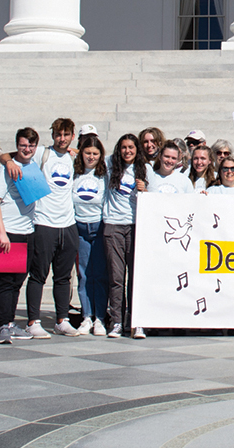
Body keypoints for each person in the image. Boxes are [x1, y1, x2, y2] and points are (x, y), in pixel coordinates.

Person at [9, 118, 81, 338]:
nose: (62, 138)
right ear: (53, 135)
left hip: (68, 223)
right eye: (58, 134)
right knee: (38, 275)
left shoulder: (73, 157)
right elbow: (9, 155)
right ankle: (33, 321)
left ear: (72, 136)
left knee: (63, 277)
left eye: (66, 134)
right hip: (43, 222)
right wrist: (9, 161)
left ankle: (62, 319)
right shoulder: (41, 153)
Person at [0, 128, 39, 344]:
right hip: (8, 233)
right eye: (22, 145)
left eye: (30, 145)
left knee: (18, 280)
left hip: (27, 231)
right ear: (16, 146)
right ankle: (3, 326)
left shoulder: (34, 165)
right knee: (5, 282)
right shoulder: (5, 170)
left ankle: (9, 323)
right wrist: (2, 233)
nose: (26, 149)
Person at [105, 135, 148, 339]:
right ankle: (116, 322)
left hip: (135, 225)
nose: (127, 151)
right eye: (123, 147)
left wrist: (144, 190)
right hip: (113, 224)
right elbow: (88, 153)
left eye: (131, 147)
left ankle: (136, 321)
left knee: (135, 277)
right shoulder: (109, 165)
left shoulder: (145, 169)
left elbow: (154, 197)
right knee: (116, 278)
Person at [73, 134, 109, 336]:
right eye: (87, 153)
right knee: (84, 274)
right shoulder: (74, 173)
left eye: (95, 153)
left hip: (99, 227)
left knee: (100, 275)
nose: (91, 157)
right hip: (79, 228)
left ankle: (101, 318)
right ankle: (87, 316)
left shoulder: (104, 174)